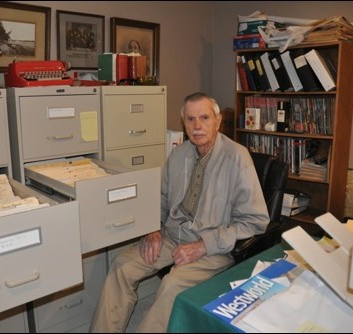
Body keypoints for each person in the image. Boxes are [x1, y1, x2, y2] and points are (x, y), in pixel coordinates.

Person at [89, 92, 270, 332]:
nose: (197, 126)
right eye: (190, 119)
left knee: (171, 284)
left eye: (204, 118)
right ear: (183, 123)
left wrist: (203, 245)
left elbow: (256, 221)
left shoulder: (237, 157)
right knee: (121, 266)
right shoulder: (178, 154)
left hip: (212, 246)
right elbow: (161, 199)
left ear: (217, 121)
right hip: (172, 235)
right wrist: (153, 227)